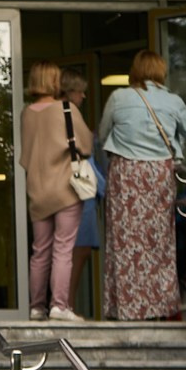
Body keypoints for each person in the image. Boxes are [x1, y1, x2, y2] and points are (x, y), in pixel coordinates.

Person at [95, 49, 186, 322]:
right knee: (158, 243)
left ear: (135, 70)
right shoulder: (173, 101)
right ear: (160, 71)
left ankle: (124, 308)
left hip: (126, 174)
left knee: (124, 243)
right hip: (159, 173)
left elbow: (102, 133)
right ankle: (159, 308)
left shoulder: (119, 97)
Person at [19, 61, 87, 322]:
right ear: (53, 81)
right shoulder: (66, 109)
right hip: (65, 188)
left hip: (37, 190)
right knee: (63, 248)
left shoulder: (27, 113)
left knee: (40, 250)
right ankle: (59, 305)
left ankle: (36, 307)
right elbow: (86, 145)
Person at [62, 71, 101, 315]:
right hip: (78, 189)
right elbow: (83, 147)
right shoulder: (69, 113)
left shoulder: (60, 112)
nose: (84, 96)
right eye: (80, 91)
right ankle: (67, 303)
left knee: (74, 250)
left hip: (75, 186)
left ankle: (65, 303)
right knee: (77, 250)